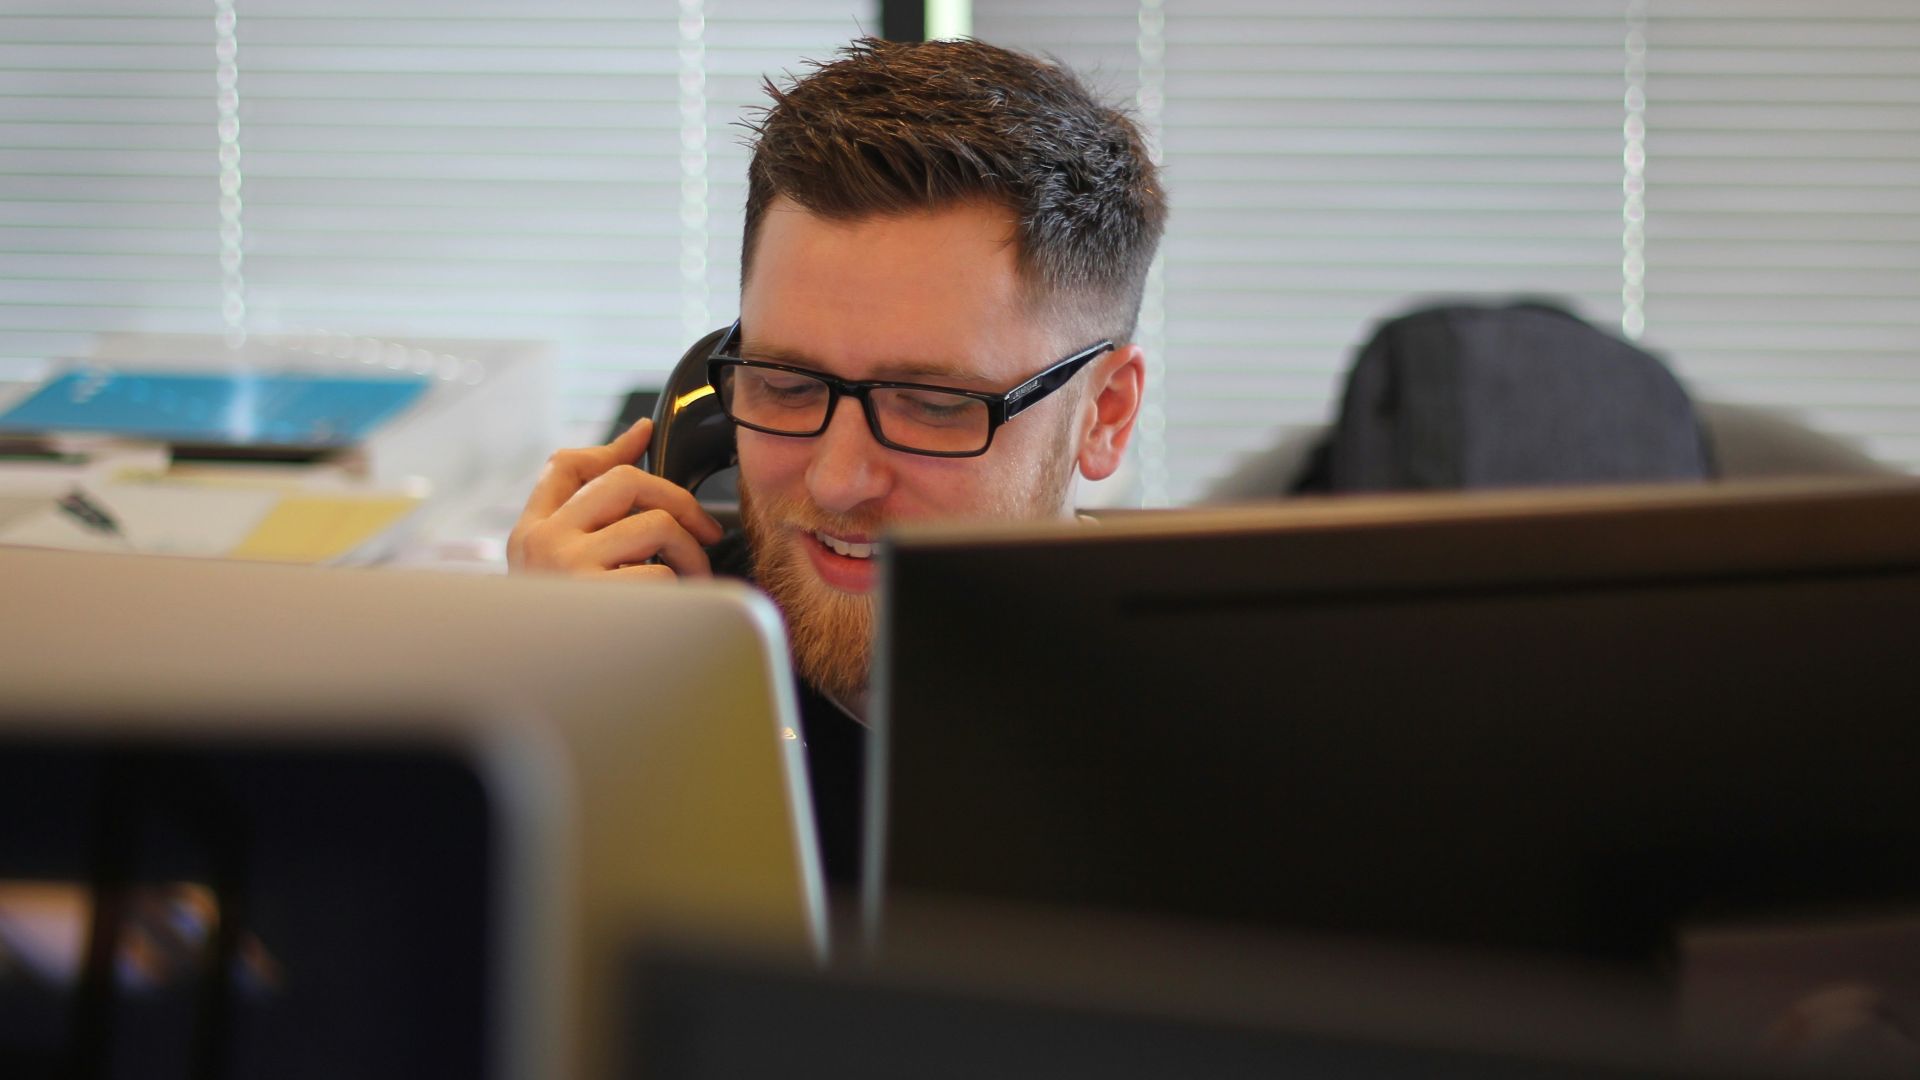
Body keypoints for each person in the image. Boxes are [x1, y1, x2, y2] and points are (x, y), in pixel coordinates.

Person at [507, 36, 1167, 887]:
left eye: (933, 405)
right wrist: (534, 707)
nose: (835, 480)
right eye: (784, 384)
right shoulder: (632, 659)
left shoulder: (1226, 749)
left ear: (1104, 414)